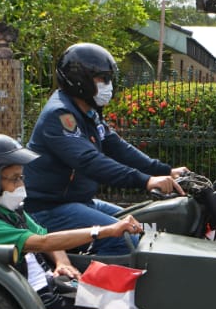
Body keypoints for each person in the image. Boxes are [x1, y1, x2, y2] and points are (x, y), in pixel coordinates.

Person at [24, 42, 187, 254]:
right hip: (49, 210)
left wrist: (164, 171)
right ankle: (97, 286)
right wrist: (145, 181)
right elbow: (89, 161)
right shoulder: (60, 115)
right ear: (79, 79)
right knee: (128, 238)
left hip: (80, 202)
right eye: (102, 78)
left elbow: (117, 147)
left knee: (147, 226)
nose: (108, 85)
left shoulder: (87, 112)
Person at [0, 133, 143, 309]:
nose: (21, 186)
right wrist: (105, 231)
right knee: (124, 308)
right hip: (35, 300)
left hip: (52, 284)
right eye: (15, 179)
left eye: (21, 178)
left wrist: (63, 263)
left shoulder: (7, 209)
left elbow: (44, 234)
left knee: (133, 294)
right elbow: (42, 243)